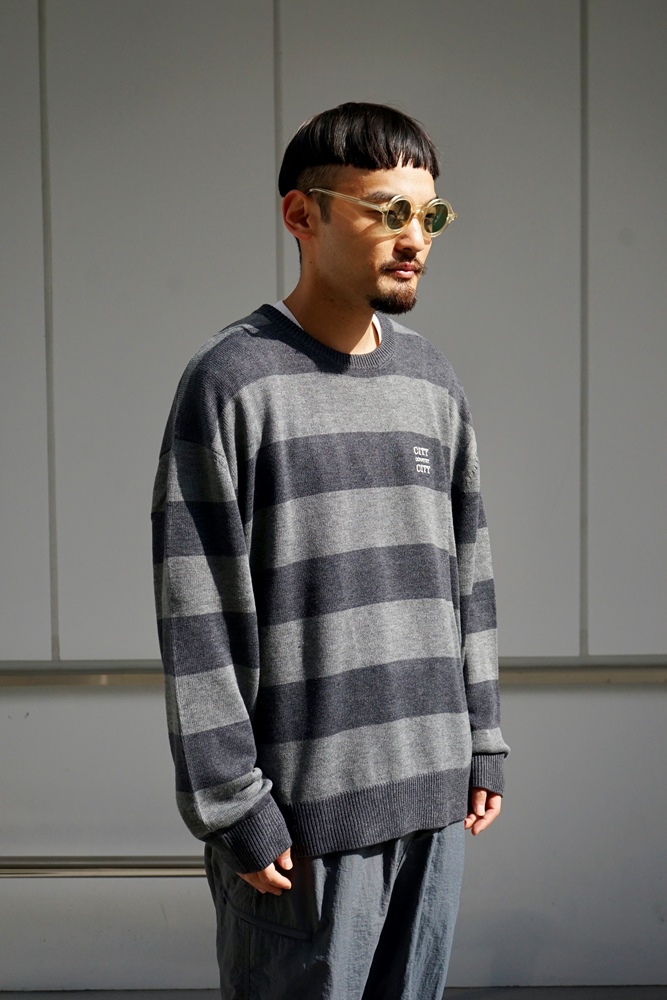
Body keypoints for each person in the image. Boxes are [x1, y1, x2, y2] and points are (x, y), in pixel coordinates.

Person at [152, 101, 510, 1000]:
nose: (414, 237)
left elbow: (467, 573)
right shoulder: (233, 382)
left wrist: (482, 738)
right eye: (387, 211)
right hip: (301, 827)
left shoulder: (431, 380)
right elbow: (197, 608)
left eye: (429, 214)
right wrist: (232, 803)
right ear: (301, 215)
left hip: (434, 805)